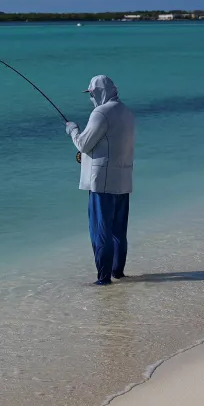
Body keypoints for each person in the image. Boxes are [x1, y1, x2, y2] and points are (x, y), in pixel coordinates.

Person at [65, 75, 135, 286]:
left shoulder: (101, 112)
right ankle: (118, 272)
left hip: (102, 182)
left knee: (101, 230)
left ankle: (103, 279)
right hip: (123, 179)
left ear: (98, 92)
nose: (91, 99)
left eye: (92, 94)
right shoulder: (126, 112)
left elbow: (84, 144)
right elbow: (111, 144)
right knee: (118, 231)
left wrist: (72, 130)